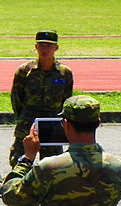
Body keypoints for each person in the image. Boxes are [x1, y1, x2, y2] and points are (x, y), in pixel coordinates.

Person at [9, 30, 74, 166]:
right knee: (19, 162)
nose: (45, 49)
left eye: (49, 46)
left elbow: (66, 99)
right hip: (27, 122)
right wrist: (23, 118)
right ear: (36, 47)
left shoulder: (64, 73)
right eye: (41, 45)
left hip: (52, 122)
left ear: (56, 48)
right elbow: (16, 97)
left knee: (53, 165)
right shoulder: (24, 71)